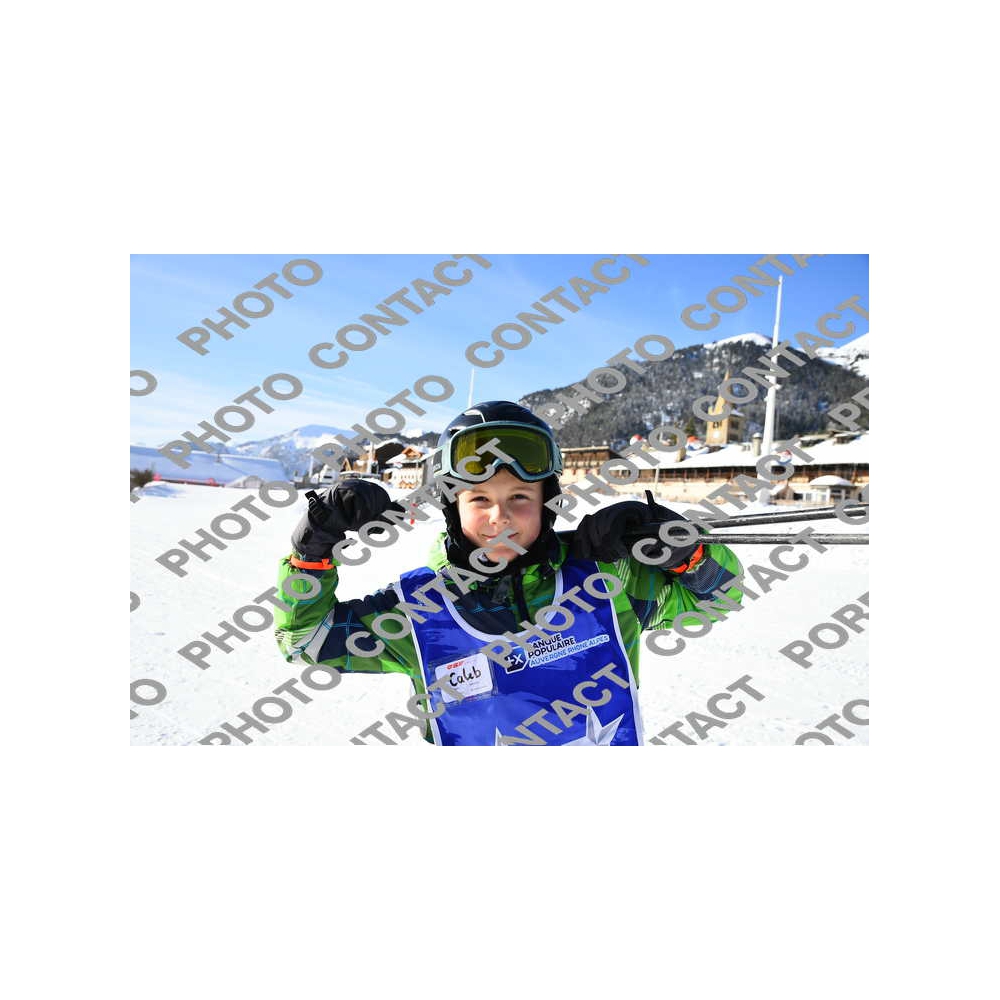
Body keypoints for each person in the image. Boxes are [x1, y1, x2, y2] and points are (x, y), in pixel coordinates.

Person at [275, 401, 743, 746]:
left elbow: (719, 597)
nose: (499, 517)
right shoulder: (418, 611)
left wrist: (685, 553)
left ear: (547, 503)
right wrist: (312, 552)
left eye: (520, 497)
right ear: (452, 509)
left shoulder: (606, 581)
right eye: (479, 499)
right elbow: (305, 640)